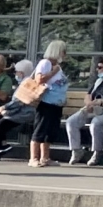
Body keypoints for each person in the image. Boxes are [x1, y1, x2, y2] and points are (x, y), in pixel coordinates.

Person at [16, 39, 71, 168]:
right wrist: (54, 72)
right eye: (63, 51)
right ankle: (33, 158)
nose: (64, 54)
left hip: (56, 104)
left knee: (50, 131)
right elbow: (39, 79)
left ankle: (45, 157)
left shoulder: (57, 65)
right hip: (46, 102)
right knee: (40, 129)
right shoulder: (46, 63)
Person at [66, 57, 103, 165]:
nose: (97, 70)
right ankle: (76, 150)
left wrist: (102, 102)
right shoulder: (99, 81)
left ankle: (96, 152)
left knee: (96, 123)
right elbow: (88, 95)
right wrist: (89, 103)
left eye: (100, 67)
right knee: (71, 121)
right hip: (94, 109)